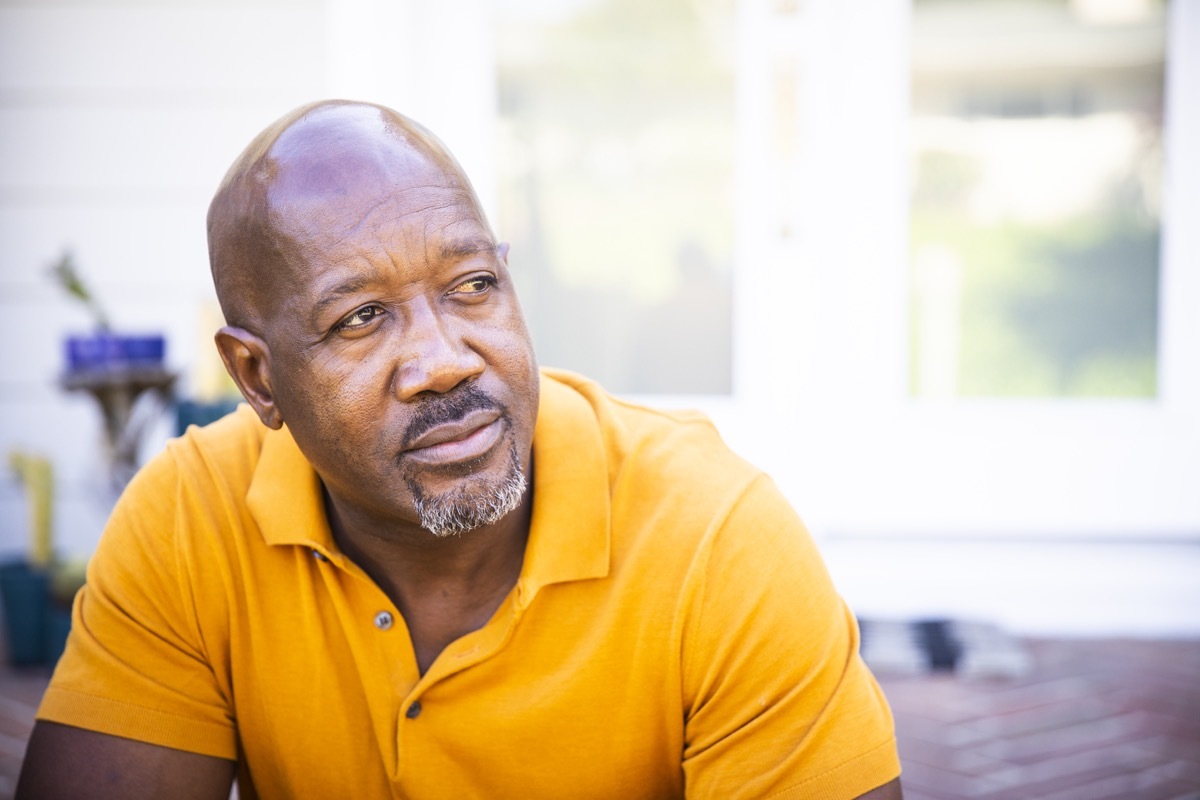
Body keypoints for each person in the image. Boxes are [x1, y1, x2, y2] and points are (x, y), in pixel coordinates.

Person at [17, 100, 903, 800]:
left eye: (473, 285)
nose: (444, 362)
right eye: (360, 318)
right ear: (257, 379)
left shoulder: (718, 539)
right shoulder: (191, 517)